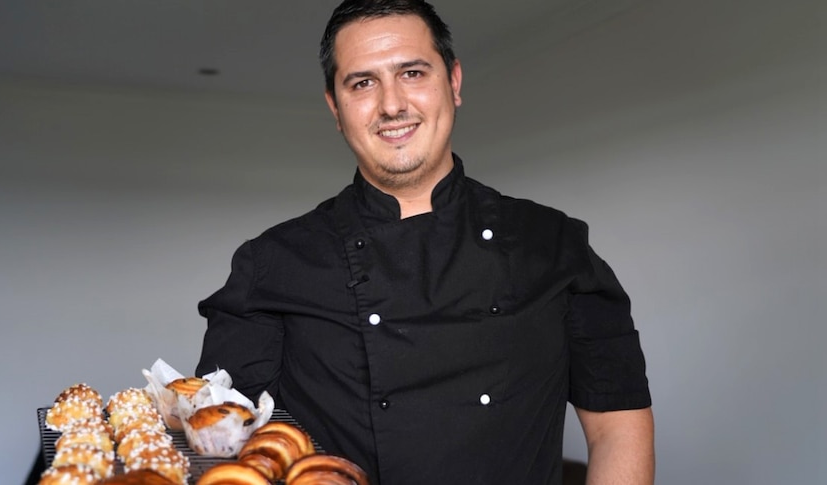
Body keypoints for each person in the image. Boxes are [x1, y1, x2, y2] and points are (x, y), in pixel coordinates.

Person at [195, 1, 655, 483]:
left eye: (412, 72)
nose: (392, 104)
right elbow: (219, 445)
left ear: (453, 83)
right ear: (335, 106)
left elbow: (617, 425)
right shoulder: (273, 263)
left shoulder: (554, 245)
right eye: (362, 82)